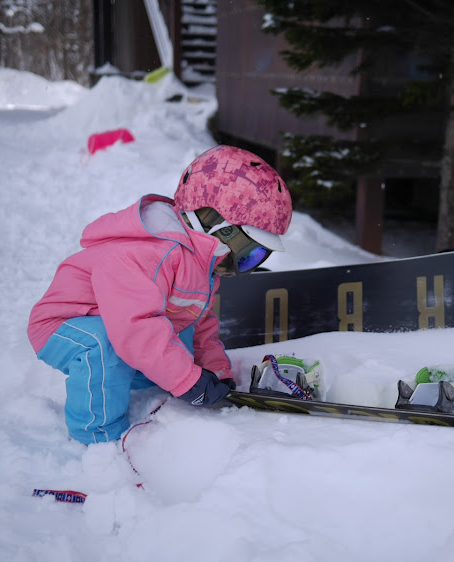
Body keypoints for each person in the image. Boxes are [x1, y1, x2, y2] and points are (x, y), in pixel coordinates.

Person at [27, 145, 293, 444]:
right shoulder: (143, 253)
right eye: (249, 252)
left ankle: (126, 379)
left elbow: (200, 325)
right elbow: (136, 327)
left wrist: (214, 372)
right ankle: (97, 440)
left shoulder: (202, 263)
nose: (247, 264)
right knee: (106, 346)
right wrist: (186, 381)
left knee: (178, 342)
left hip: (120, 330)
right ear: (219, 226)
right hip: (65, 327)